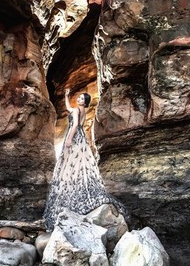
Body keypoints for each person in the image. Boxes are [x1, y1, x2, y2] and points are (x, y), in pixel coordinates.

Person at [43, 88, 127, 230]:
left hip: (74, 138)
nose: (79, 99)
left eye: (82, 99)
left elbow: (75, 125)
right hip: (82, 139)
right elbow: (69, 108)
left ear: (85, 102)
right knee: (79, 165)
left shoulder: (77, 111)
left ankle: (71, 193)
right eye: (80, 97)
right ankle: (79, 188)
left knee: (69, 164)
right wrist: (66, 96)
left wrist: (69, 139)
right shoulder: (83, 111)